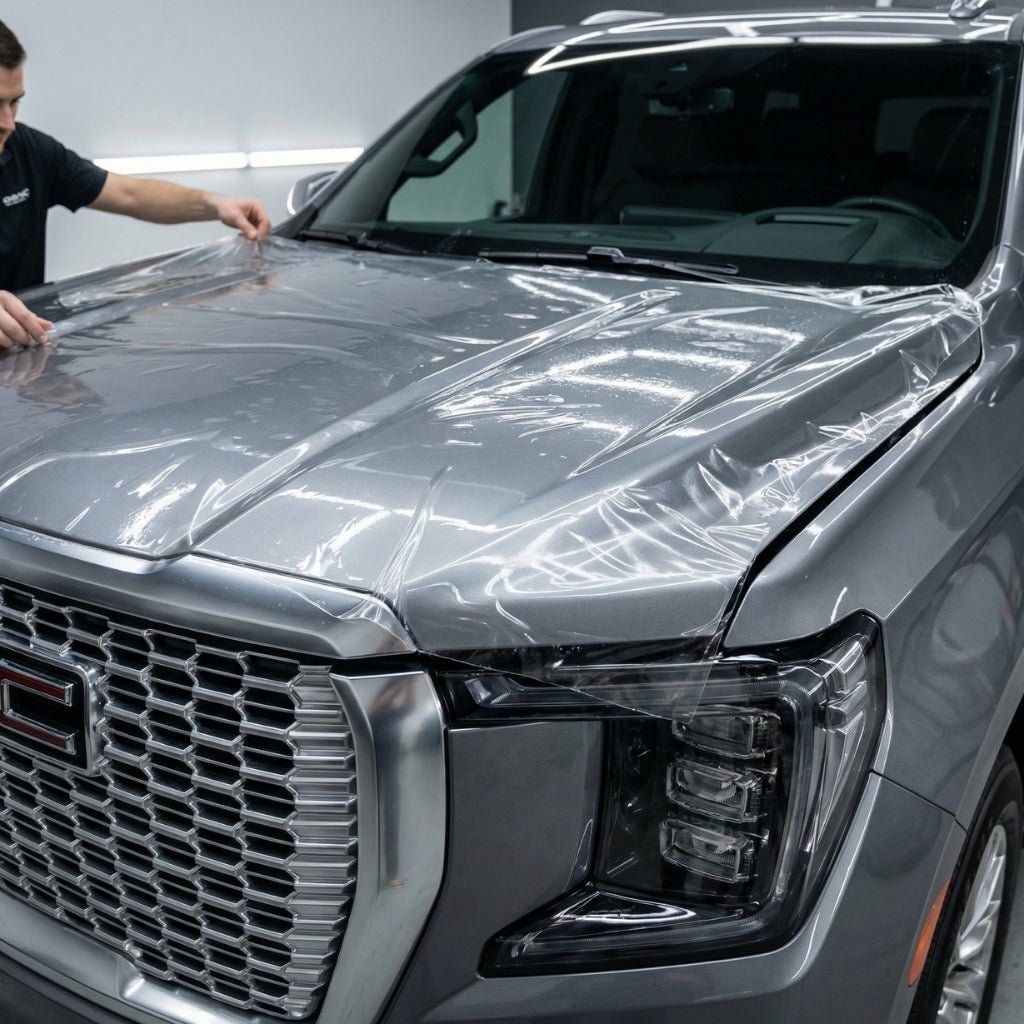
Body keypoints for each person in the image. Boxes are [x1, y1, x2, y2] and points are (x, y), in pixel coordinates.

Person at [0, 19, 272, 353]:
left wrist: (216, 204)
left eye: (14, 102)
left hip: (23, 365)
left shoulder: (30, 152)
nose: (8, 123)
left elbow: (130, 194)